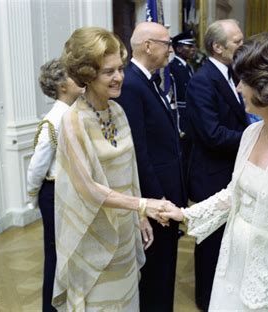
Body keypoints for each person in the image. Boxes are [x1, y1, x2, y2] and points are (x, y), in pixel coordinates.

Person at [161, 31, 268, 311]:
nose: (238, 88)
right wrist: (185, 214)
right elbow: (234, 194)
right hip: (234, 264)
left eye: (245, 81)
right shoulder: (251, 133)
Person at [51, 26, 175, 311]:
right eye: (109, 72)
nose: (120, 76)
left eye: (120, 68)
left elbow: (130, 170)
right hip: (93, 235)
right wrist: (144, 205)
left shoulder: (117, 111)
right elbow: (89, 190)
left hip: (124, 231)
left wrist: (139, 217)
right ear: (87, 74)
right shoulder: (73, 121)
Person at [115, 22, 187, 311]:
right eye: (166, 43)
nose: (171, 49)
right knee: (156, 274)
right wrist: (157, 202)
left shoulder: (148, 80)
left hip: (165, 197)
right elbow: (139, 153)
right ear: (148, 45)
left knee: (166, 268)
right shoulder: (132, 84)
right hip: (156, 201)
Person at [185, 19, 247, 310]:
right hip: (211, 176)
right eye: (237, 41)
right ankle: (206, 301)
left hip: (230, 172)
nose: (242, 45)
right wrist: (254, 137)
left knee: (228, 243)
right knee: (210, 246)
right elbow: (211, 134)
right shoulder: (202, 81)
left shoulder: (232, 73)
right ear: (218, 47)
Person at [26, 58, 83, 312]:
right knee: (56, 254)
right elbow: (37, 166)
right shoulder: (54, 119)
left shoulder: (75, 113)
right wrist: (32, 195)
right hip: (55, 193)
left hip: (72, 192)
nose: (80, 80)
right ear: (61, 85)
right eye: (73, 76)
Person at [169, 30, 197, 177]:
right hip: (183, 121)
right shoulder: (173, 68)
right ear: (178, 48)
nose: (193, 49)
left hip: (190, 119)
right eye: (189, 46)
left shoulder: (188, 67)